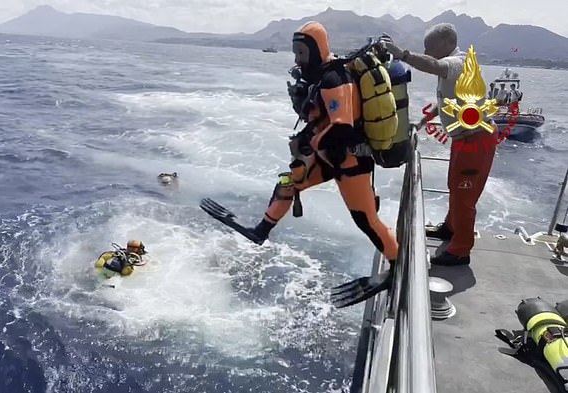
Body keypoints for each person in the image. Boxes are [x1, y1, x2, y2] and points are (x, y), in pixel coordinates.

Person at [201, 21, 399, 306]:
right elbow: (323, 122)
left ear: (317, 50)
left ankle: (394, 267)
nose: (297, 59)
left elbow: (341, 126)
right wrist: (309, 141)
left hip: (350, 160)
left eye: (301, 53)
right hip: (330, 157)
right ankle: (260, 231)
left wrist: (312, 144)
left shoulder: (335, 79)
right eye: (296, 53)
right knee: (289, 181)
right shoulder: (320, 76)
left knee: (366, 220)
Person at [382, 23, 496, 266]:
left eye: (429, 46)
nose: (426, 50)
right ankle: (450, 228)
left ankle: (460, 250)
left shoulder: (458, 63)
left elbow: (434, 66)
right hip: (464, 138)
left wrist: (402, 54)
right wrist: (424, 119)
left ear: (446, 42)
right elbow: (447, 100)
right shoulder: (454, 69)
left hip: (476, 140)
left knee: (464, 194)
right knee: (455, 186)